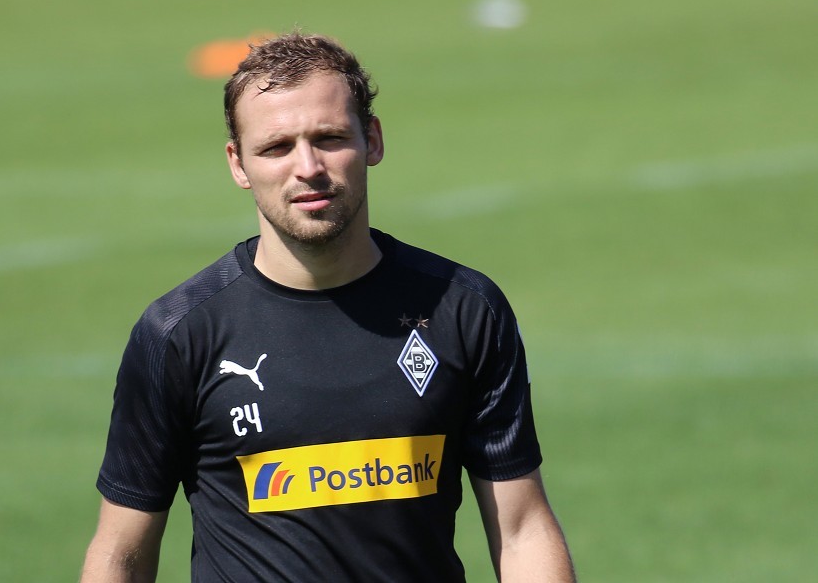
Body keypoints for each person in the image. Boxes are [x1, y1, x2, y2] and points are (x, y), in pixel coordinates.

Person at [80, 32, 575, 582]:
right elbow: (120, 552)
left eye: (330, 137)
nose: (308, 166)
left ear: (374, 140)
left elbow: (521, 527)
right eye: (276, 147)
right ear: (238, 164)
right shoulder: (179, 333)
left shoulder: (463, 309)